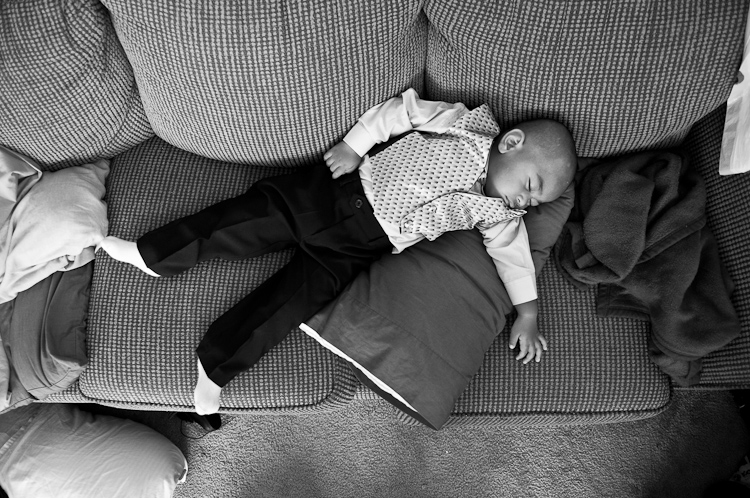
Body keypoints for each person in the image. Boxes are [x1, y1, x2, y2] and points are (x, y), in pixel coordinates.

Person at [100, 88, 577, 415]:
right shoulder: (464, 124)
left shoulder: (499, 215)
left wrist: (527, 313)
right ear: (511, 143)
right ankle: (156, 254)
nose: (525, 201)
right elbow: (401, 111)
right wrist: (354, 145)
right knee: (244, 221)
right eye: (530, 185)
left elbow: (514, 258)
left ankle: (216, 366)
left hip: (361, 246)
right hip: (339, 192)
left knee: (291, 302)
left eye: (534, 203)